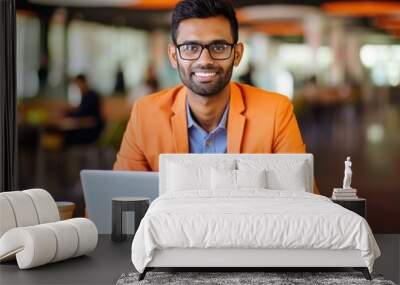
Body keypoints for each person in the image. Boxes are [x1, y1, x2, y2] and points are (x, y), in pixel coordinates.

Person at [114, 0, 318, 194]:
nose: (205, 60)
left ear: (237, 54)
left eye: (218, 47)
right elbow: (118, 198)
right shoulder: (146, 114)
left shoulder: (275, 112)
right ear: (174, 56)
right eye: (191, 48)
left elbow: (303, 199)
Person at [62, 74, 104, 146]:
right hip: (87, 128)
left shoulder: (91, 96)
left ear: (84, 83)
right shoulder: (86, 96)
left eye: (79, 84)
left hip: (92, 131)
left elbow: (82, 113)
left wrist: (69, 114)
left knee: (68, 136)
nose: (78, 87)